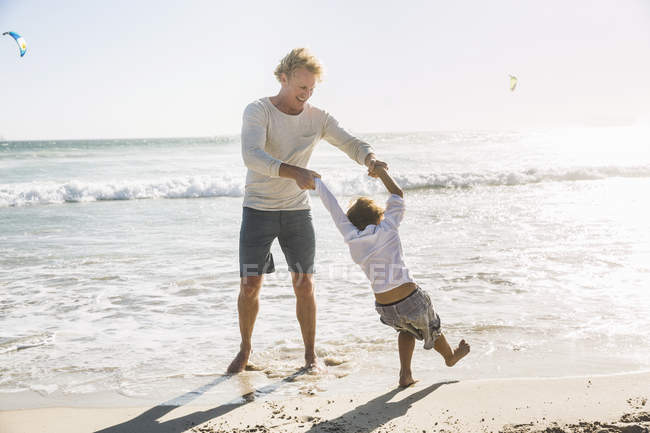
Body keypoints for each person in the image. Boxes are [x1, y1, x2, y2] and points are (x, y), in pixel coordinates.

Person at [227, 48, 388, 373]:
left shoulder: (317, 118)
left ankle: (310, 356)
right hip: (257, 210)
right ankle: (245, 349)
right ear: (283, 78)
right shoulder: (258, 111)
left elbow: (351, 143)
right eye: (301, 88)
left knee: (304, 284)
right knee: (250, 285)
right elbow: (252, 155)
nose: (306, 95)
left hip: (297, 213)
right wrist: (294, 171)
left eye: (311, 89)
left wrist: (370, 158)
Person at [314, 166, 470, 387]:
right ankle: (450, 357)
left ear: (353, 223)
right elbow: (397, 193)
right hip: (411, 299)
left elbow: (333, 208)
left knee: (405, 330)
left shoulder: (351, 236)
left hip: (385, 307)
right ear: (379, 216)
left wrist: (318, 184)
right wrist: (381, 172)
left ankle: (405, 375)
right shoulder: (388, 227)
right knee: (432, 328)